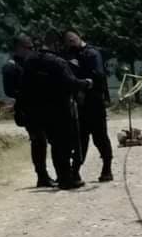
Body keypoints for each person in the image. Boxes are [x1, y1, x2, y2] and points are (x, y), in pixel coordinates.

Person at [22, 30, 92, 190]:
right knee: (62, 146)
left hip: (37, 110)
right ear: (56, 44)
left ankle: (44, 176)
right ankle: (65, 178)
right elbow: (71, 83)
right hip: (59, 109)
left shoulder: (30, 61)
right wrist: (86, 83)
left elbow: (24, 86)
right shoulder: (58, 62)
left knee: (44, 144)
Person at [2, 34, 53, 187]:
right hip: (27, 109)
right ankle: (42, 175)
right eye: (28, 47)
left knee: (47, 140)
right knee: (38, 141)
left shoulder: (31, 63)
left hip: (41, 106)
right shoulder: (11, 66)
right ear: (19, 47)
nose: (31, 50)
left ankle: (49, 174)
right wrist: (29, 93)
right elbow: (9, 91)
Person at [64, 29, 114, 183]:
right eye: (68, 41)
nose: (71, 43)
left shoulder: (92, 54)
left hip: (94, 101)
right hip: (79, 103)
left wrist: (84, 83)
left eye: (73, 39)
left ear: (79, 37)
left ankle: (107, 168)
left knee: (100, 137)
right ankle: (75, 171)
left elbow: (98, 75)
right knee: (80, 139)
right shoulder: (69, 55)